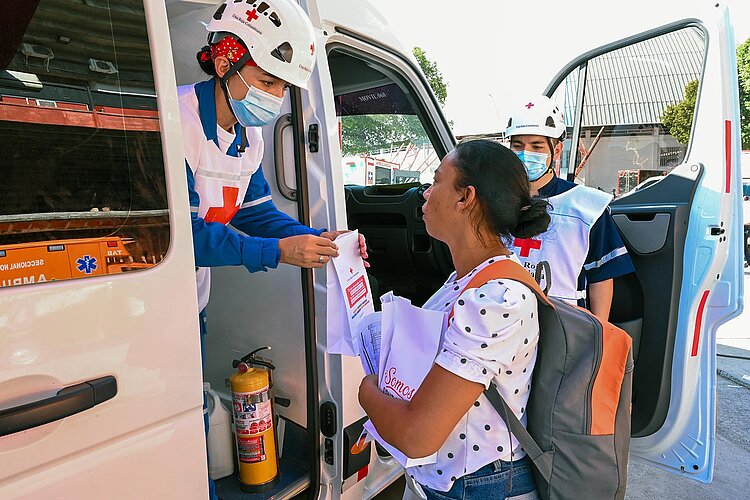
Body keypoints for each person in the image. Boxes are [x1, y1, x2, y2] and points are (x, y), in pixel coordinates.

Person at [179, 1, 366, 497]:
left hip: (192, 302)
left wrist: (319, 239)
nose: (275, 98)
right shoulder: (175, 123)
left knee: (191, 411)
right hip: (156, 303)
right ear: (225, 63)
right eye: (267, 83)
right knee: (177, 423)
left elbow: (255, 209)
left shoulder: (248, 136)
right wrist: (279, 253)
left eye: (282, 87)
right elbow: (182, 237)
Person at [358, 140, 551, 499]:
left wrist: (366, 391)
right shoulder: (468, 278)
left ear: (466, 198)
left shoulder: (494, 298)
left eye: (436, 181)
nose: (425, 194)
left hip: (477, 485)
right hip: (452, 480)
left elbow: (417, 437)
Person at [506, 96, 635, 321]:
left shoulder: (586, 207)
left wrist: (599, 333)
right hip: (502, 317)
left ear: (556, 150)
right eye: (518, 146)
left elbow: (601, 275)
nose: (525, 154)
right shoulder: (494, 200)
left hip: (564, 324)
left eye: (536, 146)